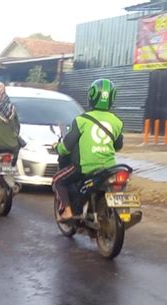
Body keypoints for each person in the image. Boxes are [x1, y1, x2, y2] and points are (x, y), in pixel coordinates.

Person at [53, 79, 124, 221]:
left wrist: (57, 147)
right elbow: (118, 146)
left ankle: (67, 211)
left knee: (57, 180)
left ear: (91, 96)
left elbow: (66, 147)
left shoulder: (82, 120)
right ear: (112, 98)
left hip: (86, 167)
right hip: (109, 168)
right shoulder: (117, 122)